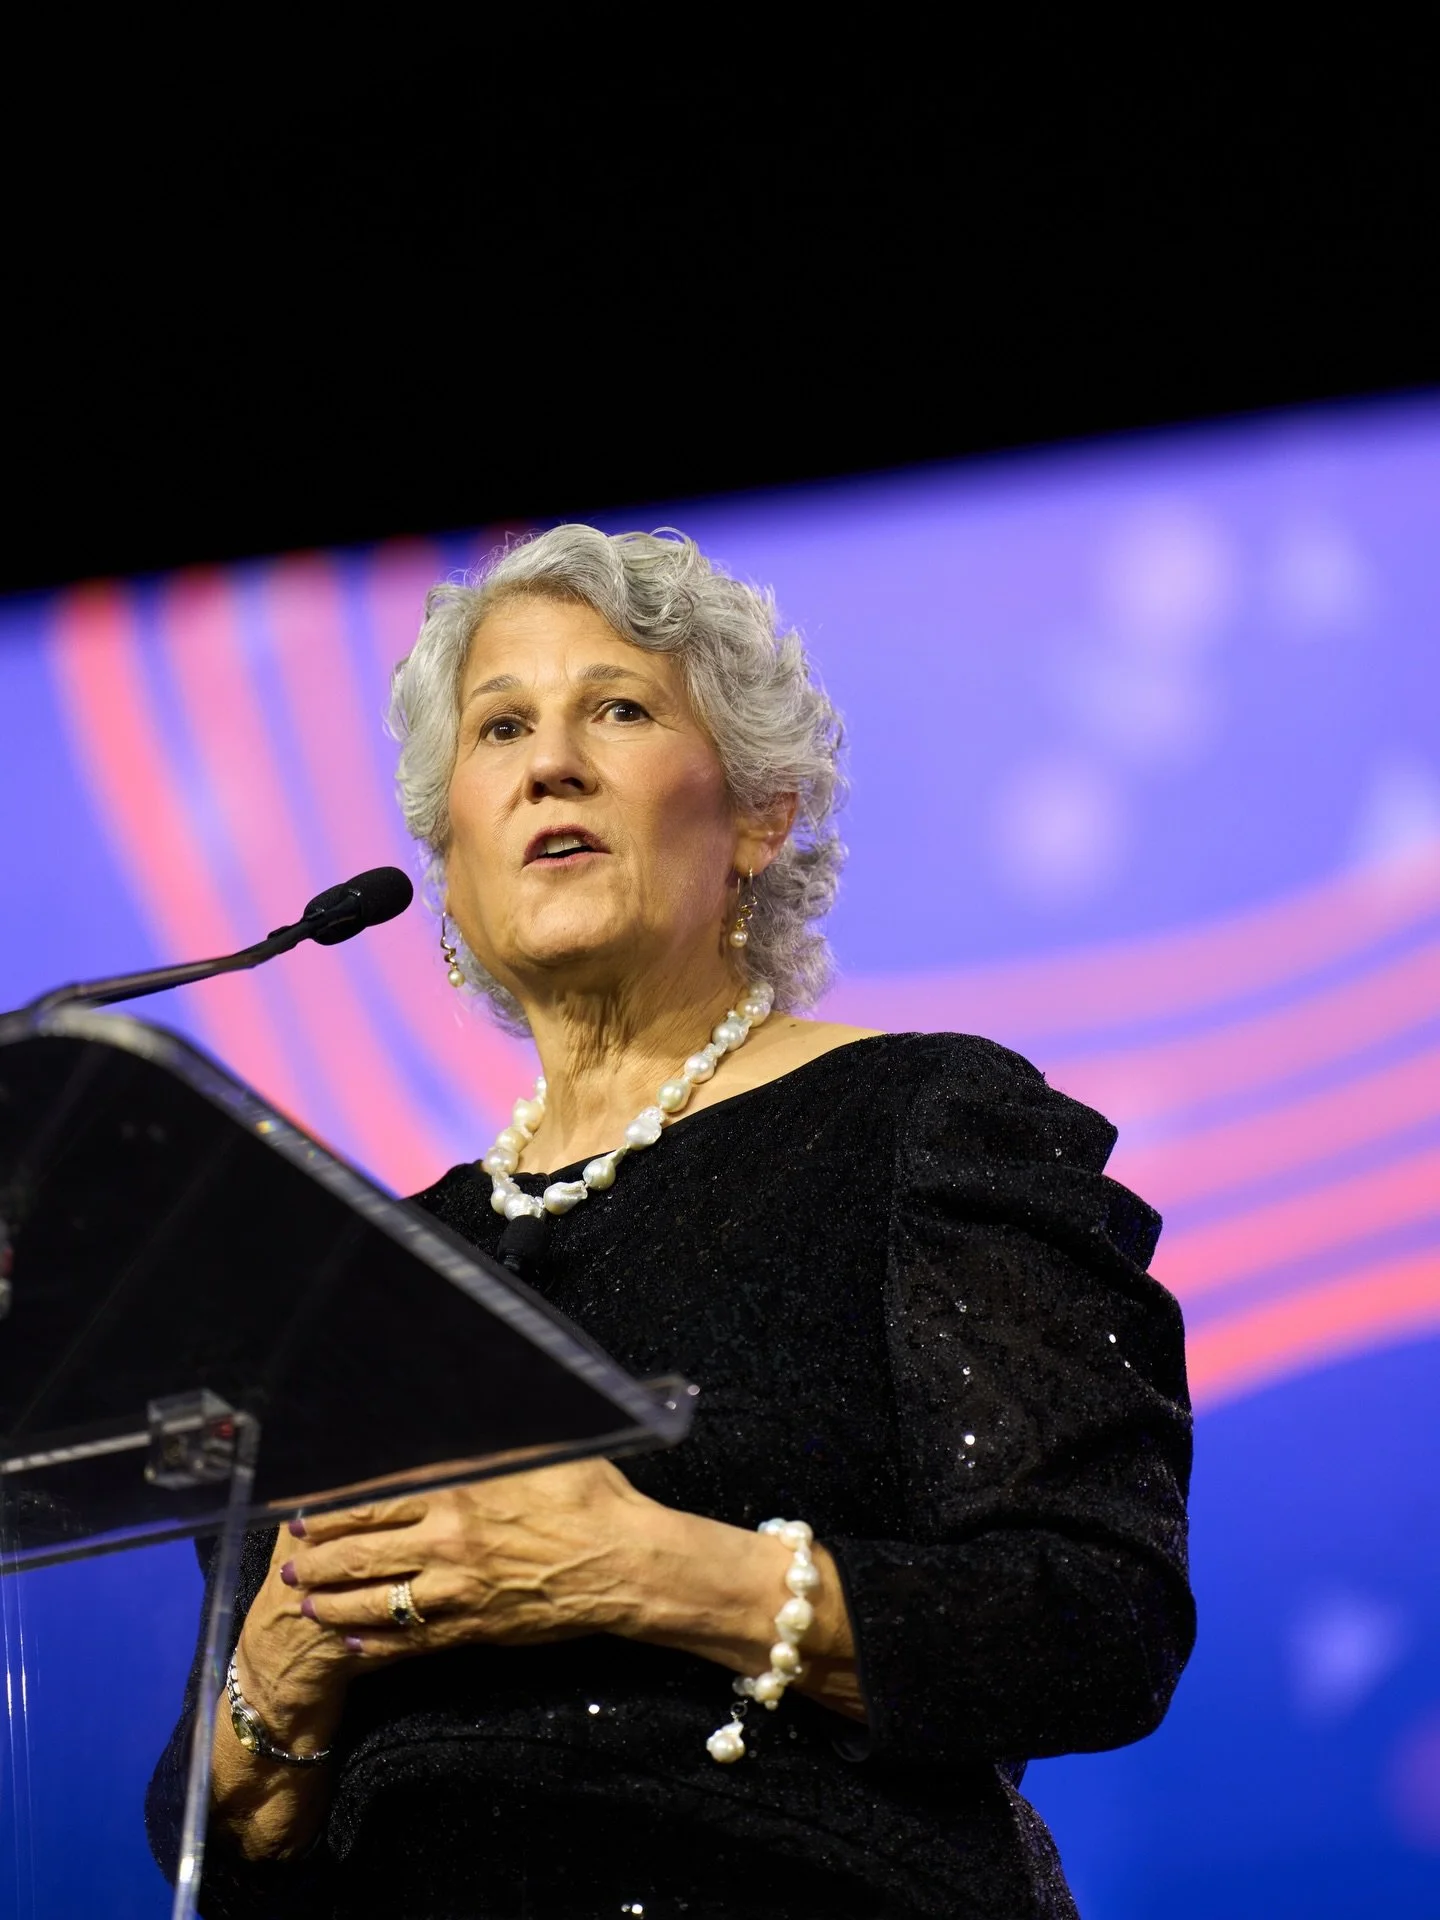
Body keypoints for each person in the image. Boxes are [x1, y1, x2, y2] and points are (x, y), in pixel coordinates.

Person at [148, 526, 1195, 1919]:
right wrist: (276, 1676)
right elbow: (216, 1830)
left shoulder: (920, 1124)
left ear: (759, 818)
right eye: (501, 727)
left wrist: (644, 1570)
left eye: (620, 711)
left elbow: (1096, 1620)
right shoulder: (357, 1277)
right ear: (449, 868)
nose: (550, 764)